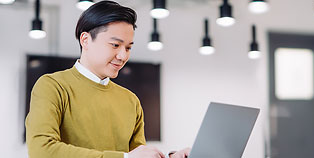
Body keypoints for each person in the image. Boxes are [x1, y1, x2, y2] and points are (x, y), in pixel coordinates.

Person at [25, 1, 190, 158]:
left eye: (128, 47)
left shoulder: (131, 101)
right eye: (115, 45)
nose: (123, 56)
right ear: (85, 40)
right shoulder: (52, 86)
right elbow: (42, 151)